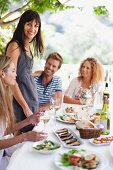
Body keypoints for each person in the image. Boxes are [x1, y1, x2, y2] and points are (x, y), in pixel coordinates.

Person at [0, 55, 47, 170]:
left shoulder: (4, 97)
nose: (16, 75)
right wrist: (25, 136)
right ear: (2, 73)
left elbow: (3, 131)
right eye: (13, 71)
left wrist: (28, 121)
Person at [5, 10, 44, 132]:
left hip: (30, 99)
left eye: (36, 26)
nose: (32, 28)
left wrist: (32, 75)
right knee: (19, 141)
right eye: (29, 24)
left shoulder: (27, 47)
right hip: (19, 103)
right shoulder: (15, 46)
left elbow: (22, 73)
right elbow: (11, 79)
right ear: (22, 24)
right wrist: (25, 108)